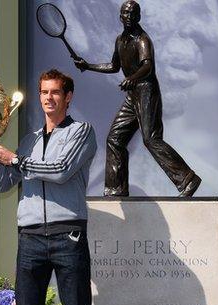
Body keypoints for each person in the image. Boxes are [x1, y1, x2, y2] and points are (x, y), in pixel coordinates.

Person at [0, 69, 97, 305]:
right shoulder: (30, 141)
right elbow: (4, 184)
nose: (48, 98)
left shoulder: (82, 132)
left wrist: (15, 159)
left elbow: (61, 170)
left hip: (69, 235)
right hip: (30, 238)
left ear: (68, 97)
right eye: (43, 92)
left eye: (55, 92)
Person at [74, 0, 201, 197]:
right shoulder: (120, 40)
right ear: (120, 17)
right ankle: (116, 189)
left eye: (133, 14)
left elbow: (147, 66)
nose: (129, 17)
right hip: (133, 96)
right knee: (115, 139)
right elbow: (113, 66)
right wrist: (87, 65)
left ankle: (187, 179)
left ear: (139, 17)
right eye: (125, 14)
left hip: (146, 91)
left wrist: (132, 78)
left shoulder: (142, 40)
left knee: (151, 139)